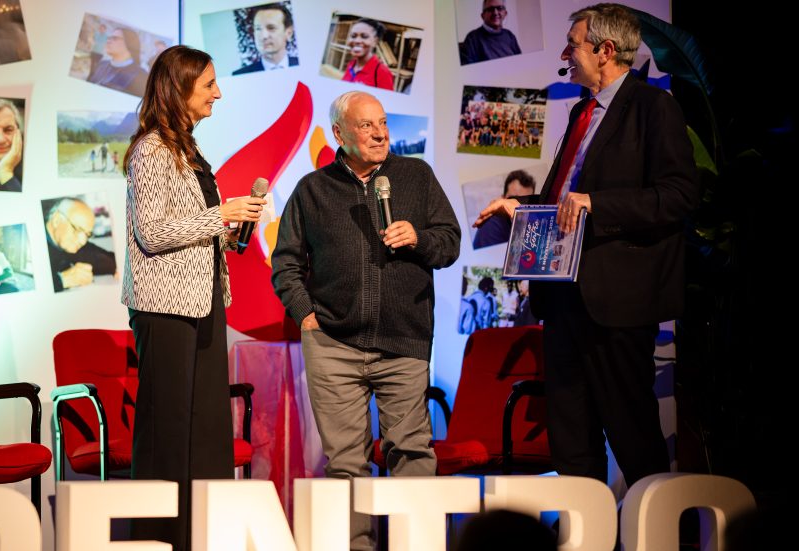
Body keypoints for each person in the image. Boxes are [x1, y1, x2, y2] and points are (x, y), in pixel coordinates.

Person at [475, 4, 699, 488]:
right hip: (562, 299)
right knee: (571, 441)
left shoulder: (653, 107)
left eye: (572, 45)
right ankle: (586, 528)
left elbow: (679, 195)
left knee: (633, 435)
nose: (564, 55)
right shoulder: (582, 111)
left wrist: (597, 203)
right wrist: (521, 206)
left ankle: (657, 527)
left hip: (616, 302)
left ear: (605, 51)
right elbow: (565, 198)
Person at [272, 91, 460, 551]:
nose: (380, 134)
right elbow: (286, 263)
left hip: (404, 340)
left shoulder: (416, 176)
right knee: (345, 465)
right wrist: (306, 315)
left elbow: (450, 243)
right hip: (333, 345)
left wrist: (419, 238)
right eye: (366, 125)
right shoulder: (312, 189)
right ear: (339, 133)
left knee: (412, 454)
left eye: (383, 123)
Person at [122, 45, 265, 550]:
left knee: (205, 429)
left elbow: (194, 231)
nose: (218, 94)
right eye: (208, 84)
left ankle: (203, 536)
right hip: (165, 308)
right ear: (179, 88)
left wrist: (232, 230)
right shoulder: (151, 150)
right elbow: (152, 232)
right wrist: (220, 214)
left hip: (203, 301)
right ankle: (157, 538)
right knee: (167, 432)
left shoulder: (189, 151)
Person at [44, 197, 116, 292]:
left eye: (87, 234)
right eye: (78, 229)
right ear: (56, 220)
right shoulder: (30, 242)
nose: (83, 241)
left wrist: (117, 265)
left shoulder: (69, 243)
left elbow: (101, 258)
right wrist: (62, 280)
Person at [472, 169, 536, 249]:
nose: (516, 204)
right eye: (513, 198)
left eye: (525, 201)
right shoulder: (491, 224)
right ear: (503, 199)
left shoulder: (530, 223)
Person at [232, 3, 298, 75]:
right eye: (258, 29)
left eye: (271, 28)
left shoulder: (302, 64)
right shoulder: (240, 75)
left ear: (289, 33)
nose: (264, 36)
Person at [87, 27, 148, 96]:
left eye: (115, 38)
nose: (108, 41)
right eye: (109, 38)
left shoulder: (141, 76)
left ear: (129, 43)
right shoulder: (101, 65)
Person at [459, 0, 522, 65]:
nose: (495, 13)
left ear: (505, 13)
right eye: (490, 9)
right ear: (483, 16)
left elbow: (520, 62)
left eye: (500, 8)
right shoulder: (472, 39)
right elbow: (469, 69)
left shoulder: (510, 36)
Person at [341, 19, 393, 91]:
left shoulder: (382, 72)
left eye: (364, 36)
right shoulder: (351, 65)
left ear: (375, 41)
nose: (357, 40)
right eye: (353, 36)